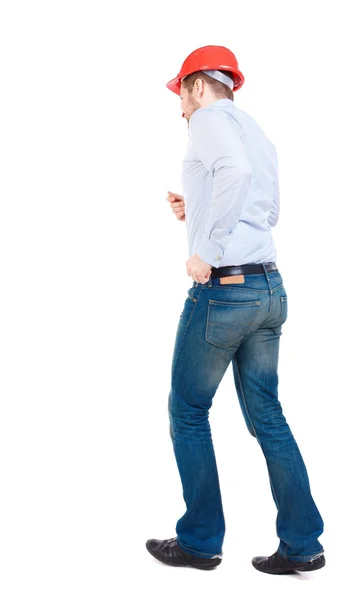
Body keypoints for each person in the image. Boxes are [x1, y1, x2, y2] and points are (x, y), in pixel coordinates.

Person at [146, 45, 325, 574]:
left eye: (180, 93)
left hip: (224, 294)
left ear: (198, 85)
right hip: (269, 289)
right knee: (268, 416)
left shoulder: (207, 122)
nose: (179, 107)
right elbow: (264, 210)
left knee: (187, 410)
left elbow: (237, 178)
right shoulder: (256, 130)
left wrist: (206, 251)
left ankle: (200, 541)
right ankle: (302, 544)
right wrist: (195, 210)